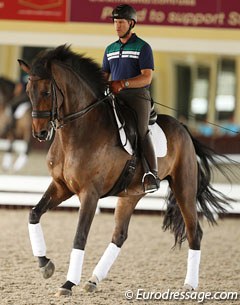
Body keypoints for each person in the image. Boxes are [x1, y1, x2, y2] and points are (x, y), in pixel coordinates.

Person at [102, 4, 160, 193]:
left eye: (121, 22)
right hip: (114, 95)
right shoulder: (109, 49)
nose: (117, 26)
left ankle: (152, 174)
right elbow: (104, 76)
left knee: (141, 131)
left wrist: (123, 84)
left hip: (137, 96)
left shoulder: (143, 47)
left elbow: (146, 77)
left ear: (131, 23)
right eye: (115, 22)